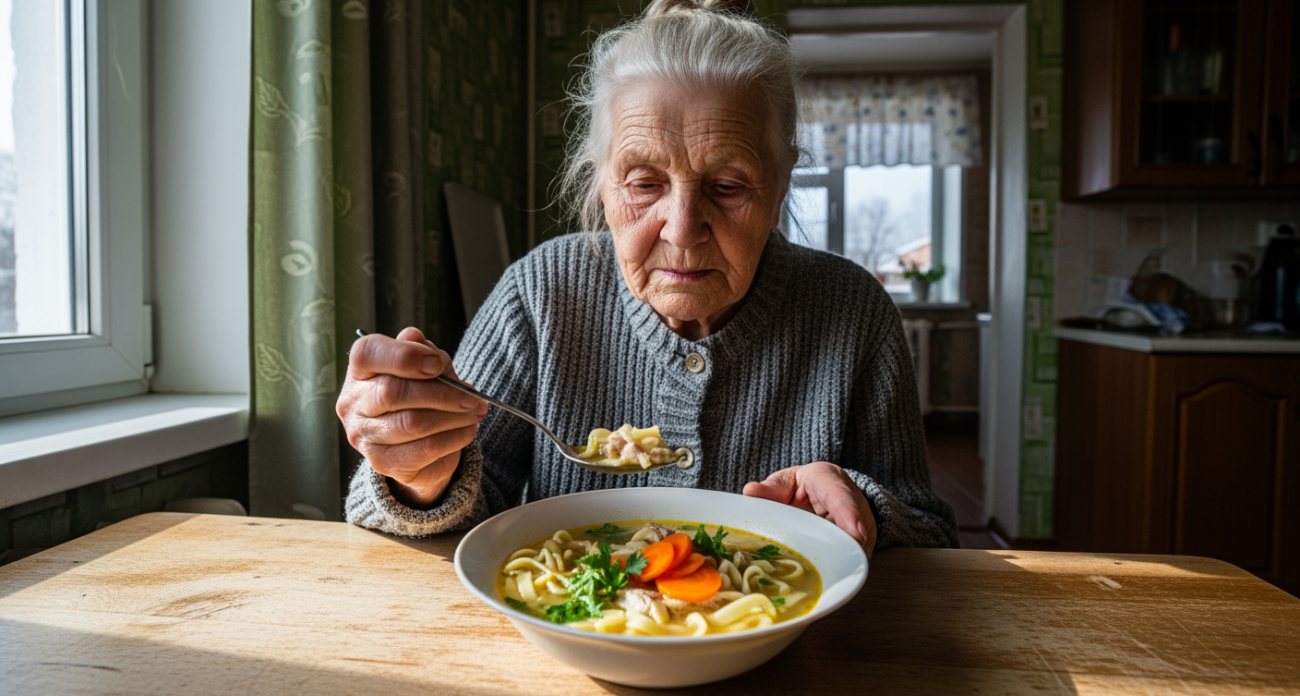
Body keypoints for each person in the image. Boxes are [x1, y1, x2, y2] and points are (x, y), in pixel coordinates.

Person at [336, 0, 958, 555]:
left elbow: (932, 536)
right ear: (601, 180)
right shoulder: (541, 293)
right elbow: (470, 505)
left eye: (728, 185)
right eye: (643, 183)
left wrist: (864, 510)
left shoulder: (854, 311)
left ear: (781, 182)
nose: (682, 229)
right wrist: (419, 476)